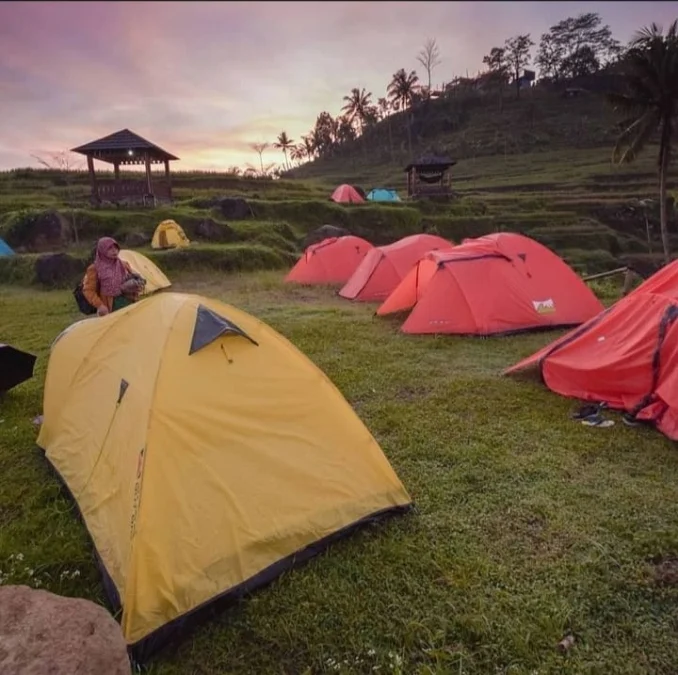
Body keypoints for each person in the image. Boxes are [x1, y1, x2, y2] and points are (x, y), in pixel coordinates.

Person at [82, 237, 146, 316]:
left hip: (128, 300)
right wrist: (100, 305)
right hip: (110, 305)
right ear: (102, 250)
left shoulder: (123, 264)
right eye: (110, 248)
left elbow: (133, 277)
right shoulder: (94, 269)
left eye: (116, 247)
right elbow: (88, 290)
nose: (114, 250)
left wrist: (136, 283)